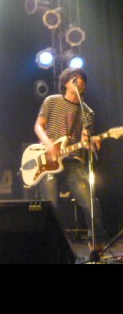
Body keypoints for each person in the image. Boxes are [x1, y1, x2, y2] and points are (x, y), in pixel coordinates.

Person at [34, 68, 107, 255]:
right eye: (75, 78)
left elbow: (85, 139)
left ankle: (97, 245)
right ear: (66, 83)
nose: (80, 81)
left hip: (73, 160)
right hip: (48, 160)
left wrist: (92, 144)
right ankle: (50, 247)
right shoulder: (52, 101)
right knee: (50, 205)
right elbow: (39, 126)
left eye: (83, 79)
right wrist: (49, 144)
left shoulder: (87, 112)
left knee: (90, 200)